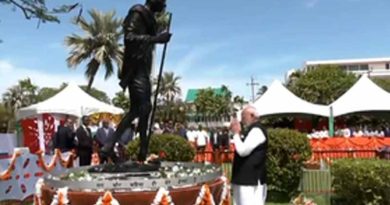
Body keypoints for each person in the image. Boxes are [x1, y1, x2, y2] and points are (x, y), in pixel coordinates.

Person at [101, 0, 172, 162]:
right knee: (142, 107)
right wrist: (156, 39)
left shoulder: (150, 18)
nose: (164, 7)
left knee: (142, 110)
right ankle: (112, 144)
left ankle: (142, 152)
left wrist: (159, 38)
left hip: (143, 68)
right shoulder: (138, 12)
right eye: (163, 2)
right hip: (135, 69)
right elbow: (129, 37)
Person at [231, 105, 267, 205]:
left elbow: (243, 151)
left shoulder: (257, 131)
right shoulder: (251, 131)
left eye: (243, 116)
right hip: (246, 179)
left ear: (252, 115)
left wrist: (235, 134)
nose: (241, 120)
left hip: (250, 180)